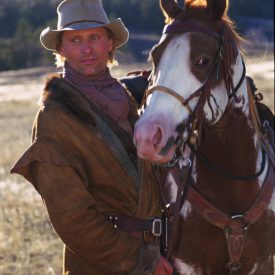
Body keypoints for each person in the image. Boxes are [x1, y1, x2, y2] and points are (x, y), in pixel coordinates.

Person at [10, 0, 173, 274]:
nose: (87, 49)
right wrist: (141, 260)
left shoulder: (129, 96)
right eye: (75, 40)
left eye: (95, 37)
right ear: (62, 49)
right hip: (105, 263)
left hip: (162, 250)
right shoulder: (55, 116)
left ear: (109, 43)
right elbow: (73, 219)